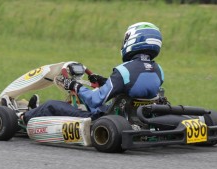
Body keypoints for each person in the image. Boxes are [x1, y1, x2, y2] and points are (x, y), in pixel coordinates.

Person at [21, 22, 164, 124]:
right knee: (87, 102)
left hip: (105, 119)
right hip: (136, 118)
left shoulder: (124, 70)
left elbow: (95, 99)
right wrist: (104, 82)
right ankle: (33, 111)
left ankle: (21, 117)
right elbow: (132, 88)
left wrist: (74, 86)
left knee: (51, 105)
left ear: (134, 40)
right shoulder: (158, 70)